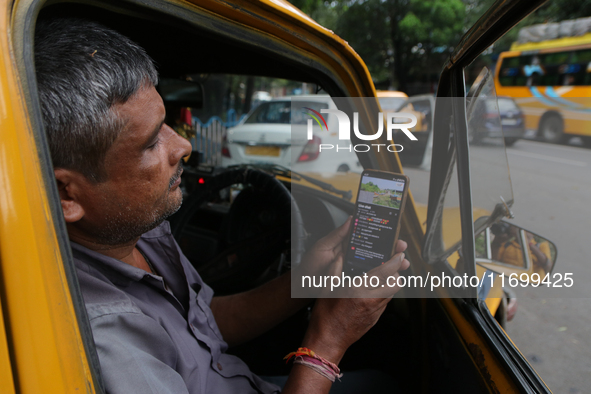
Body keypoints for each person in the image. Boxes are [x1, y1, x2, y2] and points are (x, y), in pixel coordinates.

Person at [34, 17, 410, 394]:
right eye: (150, 143)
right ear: (67, 194)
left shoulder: (136, 230)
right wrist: (327, 341)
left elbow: (203, 324)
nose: (183, 147)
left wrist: (304, 280)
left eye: (166, 124)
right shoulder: (105, 339)